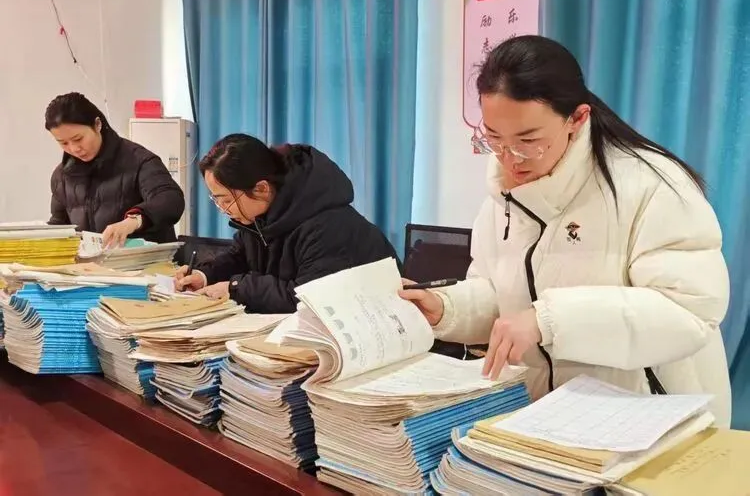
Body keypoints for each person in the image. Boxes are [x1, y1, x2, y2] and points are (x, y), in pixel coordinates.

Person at [399, 35, 731, 427]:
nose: (510, 159)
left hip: (647, 419)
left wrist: (550, 320)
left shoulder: (650, 185)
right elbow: (501, 298)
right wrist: (446, 308)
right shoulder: (502, 198)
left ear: (577, 119)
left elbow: (689, 311)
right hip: (551, 420)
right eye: (494, 139)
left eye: (529, 141)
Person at [175, 134, 400, 313]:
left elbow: (308, 297)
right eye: (216, 200)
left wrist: (236, 289)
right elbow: (239, 257)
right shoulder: (257, 216)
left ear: (261, 188)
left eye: (226, 200)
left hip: (371, 326)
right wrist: (204, 275)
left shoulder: (326, 224)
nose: (224, 209)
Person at [46, 92, 185, 247]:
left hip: (147, 260)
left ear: (97, 124)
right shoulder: (62, 176)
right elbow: (59, 224)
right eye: (63, 143)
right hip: (95, 261)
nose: (74, 149)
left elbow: (171, 199)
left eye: (78, 139)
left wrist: (133, 221)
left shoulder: (139, 161)